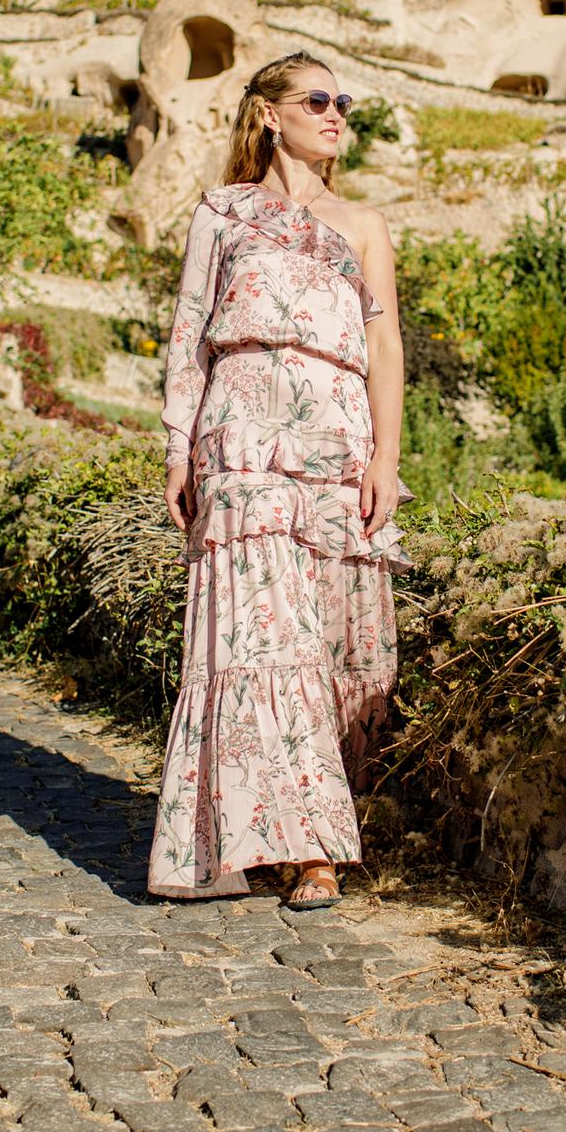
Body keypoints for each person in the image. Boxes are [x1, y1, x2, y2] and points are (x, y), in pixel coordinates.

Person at [149, 52, 407, 909]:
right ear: (270, 113)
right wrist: (178, 448)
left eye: (343, 102)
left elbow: (384, 348)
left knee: (330, 647)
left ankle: (281, 823)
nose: (335, 115)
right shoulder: (222, 213)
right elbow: (190, 332)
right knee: (263, 644)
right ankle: (308, 848)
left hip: (335, 445)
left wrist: (386, 460)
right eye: (317, 99)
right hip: (242, 444)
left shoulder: (363, 223)